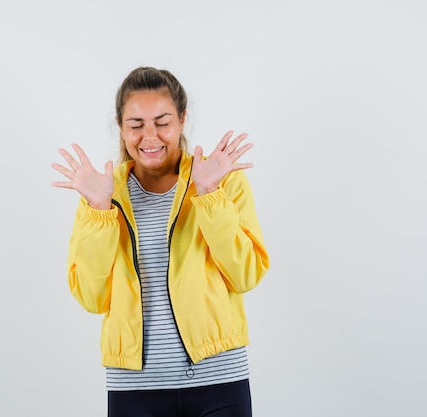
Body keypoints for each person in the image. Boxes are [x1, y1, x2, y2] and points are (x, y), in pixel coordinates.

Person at [51, 66, 269, 417]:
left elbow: (246, 275)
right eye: (136, 125)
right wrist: (99, 209)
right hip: (135, 389)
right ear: (121, 128)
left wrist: (209, 194)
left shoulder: (219, 180)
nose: (149, 137)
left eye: (162, 122)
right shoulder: (103, 193)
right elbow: (92, 298)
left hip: (220, 380)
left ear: (182, 120)